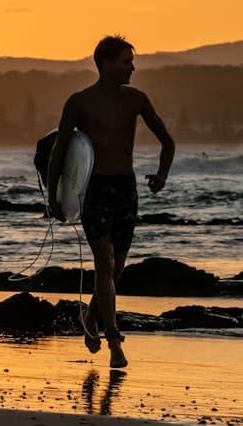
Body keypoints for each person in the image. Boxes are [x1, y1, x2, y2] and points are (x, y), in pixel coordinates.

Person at [46, 35, 174, 368]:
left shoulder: (136, 100)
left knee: (116, 268)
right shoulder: (80, 102)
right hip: (95, 189)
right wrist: (54, 197)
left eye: (131, 61)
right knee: (104, 262)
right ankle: (114, 339)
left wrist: (161, 176)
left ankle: (90, 316)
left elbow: (168, 141)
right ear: (104, 63)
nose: (132, 67)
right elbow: (60, 151)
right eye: (125, 61)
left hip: (125, 188)